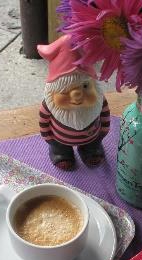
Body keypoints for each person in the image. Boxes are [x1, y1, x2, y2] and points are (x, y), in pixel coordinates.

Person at [37, 35, 110, 170]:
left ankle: (90, 151)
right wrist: (50, 140)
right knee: (60, 149)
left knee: (93, 147)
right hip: (59, 141)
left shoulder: (100, 102)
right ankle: (62, 153)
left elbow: (105, 118)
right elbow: (43, 124)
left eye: (85, 87)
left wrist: (102, 133)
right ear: (53, 91)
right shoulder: (48, 105)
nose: (77, 96)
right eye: (65, 91)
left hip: (92, 138)